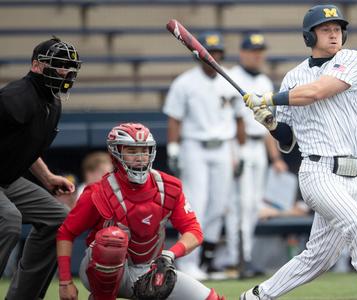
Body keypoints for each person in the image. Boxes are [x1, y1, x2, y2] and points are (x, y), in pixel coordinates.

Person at [240, 4, 357, 300]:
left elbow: (317, 91)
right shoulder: (292, 78)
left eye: (337, 29)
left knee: (318, 259)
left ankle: (256, 296)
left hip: (354, 175)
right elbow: (286, 141)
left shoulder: (352, 60)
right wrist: (270, 123)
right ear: (309, 37)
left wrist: (268, 99)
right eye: (325, 30)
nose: (334, 34)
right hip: (318, 172)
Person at [56, 123, 226, 300]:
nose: (140, 157)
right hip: (100, 270)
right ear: (116, 154)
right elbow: (66, 233)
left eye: (144, 151)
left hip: (150, 268)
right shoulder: (97, 192)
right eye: (132, 151)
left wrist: (170, 254)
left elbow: (194, 231)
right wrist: (65, 281)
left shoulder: (169, 187)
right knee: (113, 238)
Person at [0, 37, 81, 300]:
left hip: (8, 178)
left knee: (59, 219)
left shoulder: (52, 103)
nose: (66, 73)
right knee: (8, 220)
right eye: (59, 66)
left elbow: (23, 145)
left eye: (70, 67)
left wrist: (46, 176)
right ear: (36, 65)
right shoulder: (14, 98)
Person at [163, 31, 246, 280]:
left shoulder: (227, 80)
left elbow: (239, 118)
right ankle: (188, 263)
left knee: (218, 206)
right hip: (194, 146)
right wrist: (174, 149)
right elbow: (174, 119)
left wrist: (239, 151)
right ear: (198, 56)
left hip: (222, 146)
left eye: (217, 54)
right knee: (195, 204)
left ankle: (207, 263)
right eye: (209, 54)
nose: (213, 58)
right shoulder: (184, 82)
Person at [224, 32, 289, 278]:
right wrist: (232, 153)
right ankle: (234, 258)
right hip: (235, 145)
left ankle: (246, 256)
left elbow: (267, 124)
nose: (257, 55)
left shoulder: (263, 80)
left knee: (252, 205)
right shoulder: (231, 77)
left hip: (258, 146)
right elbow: (227, 120)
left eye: (260, 51)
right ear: (242, 52)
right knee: (236, 205)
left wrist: (276, 158)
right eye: (252, 50)